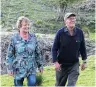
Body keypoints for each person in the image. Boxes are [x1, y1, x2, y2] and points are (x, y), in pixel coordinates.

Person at [52, 13, 87, 86]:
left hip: (74, 64)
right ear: (65, 21)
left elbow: (82, 47)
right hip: (62, 65)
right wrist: (55, 62)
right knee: (59, 85)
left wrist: (84, 61)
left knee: (71, 85)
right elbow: (54, 48)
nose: (72, 20)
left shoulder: (79, 32)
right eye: (70, 19)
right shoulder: (60, 33)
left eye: (73, 18)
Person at [6, 16, 43, 86]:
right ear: (19, 26)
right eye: (25, 25)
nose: (27, 27)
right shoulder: (14, 38)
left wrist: (40, 66)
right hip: (18, 69)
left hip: (31, 68)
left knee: (32, 82)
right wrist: (9, 68)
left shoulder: (33, 37)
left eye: (28, 25)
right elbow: (9, 55)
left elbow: (37, 52)